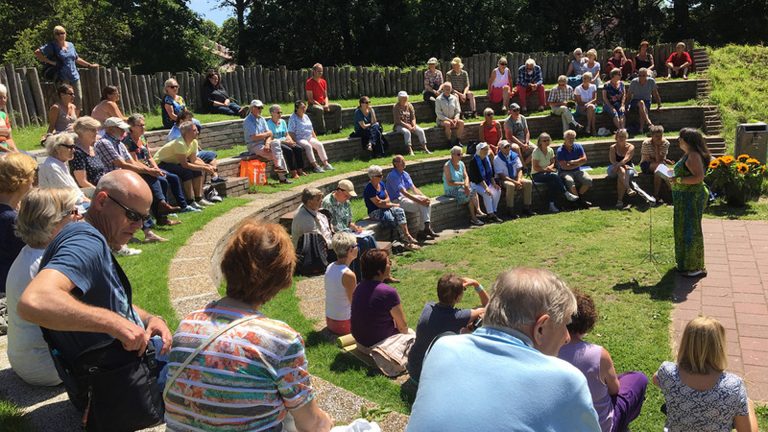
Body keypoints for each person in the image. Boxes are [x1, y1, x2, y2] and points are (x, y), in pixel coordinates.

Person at [17, 170, 173, 419]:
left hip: (101, 383)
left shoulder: (79, 233)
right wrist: (114, 324)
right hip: (123, 385)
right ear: (101, 201)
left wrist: (149, 318)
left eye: (144, 217)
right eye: (132, 215)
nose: (139, 226)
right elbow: (34, 301)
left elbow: (112, 301)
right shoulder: (86, 242)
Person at [163, 220, 333, 432]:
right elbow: (311, 424)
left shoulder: (189, 322)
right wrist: (326, 421)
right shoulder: (281, 341)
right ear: (281, 277)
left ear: (228, 264)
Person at [406, 268, 600, 432]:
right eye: (565, 324)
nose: (567, 337)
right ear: (541, 328)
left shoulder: (441, 346)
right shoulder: (566, 380)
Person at [6, 188, 80, 386]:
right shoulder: (48, 265)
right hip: (47, 366)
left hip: (25, 360)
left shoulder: (28, 254)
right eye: (72, 212)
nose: (79, 216)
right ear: (53, 222)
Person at [558, 291, 648, 432]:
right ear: (588, 322)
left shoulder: (544, 352)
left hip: (563, 425)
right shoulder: (598, 355)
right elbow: (615, 390)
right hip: (600, 427)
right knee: (639, 379)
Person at [654, 316, 758, 432]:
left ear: (686, 342)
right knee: (748, 403)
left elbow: (655, 379)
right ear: (719, 346)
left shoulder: (667, 372)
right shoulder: (734, 386)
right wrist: (749, 405)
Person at [96, 116, 177, 242]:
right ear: (111, 129)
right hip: (112, 181)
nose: (124, 132)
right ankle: (151, 223)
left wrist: (150, 170)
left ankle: (150, 227)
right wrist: (149, 170)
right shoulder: (104, 143)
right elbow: (121, 164)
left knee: (147, 184)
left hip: (123, 177)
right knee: (137, 195)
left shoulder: (120, 144)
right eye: (121, 129)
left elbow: (131, 162)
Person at [407, 274, 489, 383]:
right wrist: (476, 284)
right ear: (458, 297)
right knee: (476, 323)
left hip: (413, 369)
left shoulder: (428, 307)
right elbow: (488, 306)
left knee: (466, 328)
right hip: (427, 379)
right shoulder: (458, 317)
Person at [0, 153, 37, 336]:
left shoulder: (9, 213)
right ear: (21, 181)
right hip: (9, 293)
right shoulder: (10, 220)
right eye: (31, 177)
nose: (33, 181)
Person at [124, 114, 184, 226]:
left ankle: (164, 211)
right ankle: (163, 209)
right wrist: (150, 170)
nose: (143, 127)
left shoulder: (142, 138)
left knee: (171, 177)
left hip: (149, 168)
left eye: (144, 125)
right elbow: (134, 162)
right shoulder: (128, 141)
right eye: (140, 125)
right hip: (138, 171)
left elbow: (149, 157)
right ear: (131, 127)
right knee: (161, 181)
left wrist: (156, 168)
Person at [350, 249, 411, 348]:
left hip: (360, 343)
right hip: (380, 347)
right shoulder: (388, 292)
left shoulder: (359, 287)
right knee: (414, 336)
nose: (390, 265)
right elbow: (402, 327)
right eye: (388, 263)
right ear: (379, 271)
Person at [670, 128, 710, 277]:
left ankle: (695, 267)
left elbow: (698, 177)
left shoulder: (693, 155)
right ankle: (685, 264)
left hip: (692, 198)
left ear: (687, 141)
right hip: (685, 197)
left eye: (680, 138)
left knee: (691, 231)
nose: (678, 140)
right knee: (683, 229)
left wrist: (678, 180)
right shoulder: (689, 154)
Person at [154, 121, 217, 211]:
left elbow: (193, 160)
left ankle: (199, 199)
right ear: (187, 133)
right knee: (186, 172)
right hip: (160, 163)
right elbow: (185, 164)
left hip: (173, 162)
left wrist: (207, 165)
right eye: (195, 130)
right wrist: (204, 168)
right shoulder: (180, 143)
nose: (198, 132)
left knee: (197, 171)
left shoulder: (194, 142)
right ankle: (190, 201)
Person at [34, 25, 98, 109]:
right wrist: (51, 62)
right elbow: (37, 52)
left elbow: (76, 58)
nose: (60, 35)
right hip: (62, 78)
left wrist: (89, 65)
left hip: (74, 76)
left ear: (65, 34)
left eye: (62, 33)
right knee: (65, 100)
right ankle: (67, 120)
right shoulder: (52, 46)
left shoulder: (70, 45)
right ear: (55, 35)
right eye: (57, 34)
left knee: (78, 99)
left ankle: (75, 119)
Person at [363, 165, 420, 248]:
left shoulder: (381, 184)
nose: (382, 177)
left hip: (386, 207)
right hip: (375, 211)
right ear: (372, 177)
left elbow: (387, 198)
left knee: (399, 211)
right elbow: (378, 204)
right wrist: (391, 204)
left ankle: (407, 236)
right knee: (390, 218)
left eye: (381, 174)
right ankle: (398, 240)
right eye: (379, 175)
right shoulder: (369, 188)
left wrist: (384, 202)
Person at [386, 155, 437, 241]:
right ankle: (424, 230)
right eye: (402, 161)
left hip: (404, 198)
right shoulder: (392, 175)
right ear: (395, 164)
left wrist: (425, 197)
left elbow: (414, 188)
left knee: (426, 202)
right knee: (423, 204)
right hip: (396, 201)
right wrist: (420, 201)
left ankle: (425, 228)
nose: (404, 162)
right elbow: (404, 192)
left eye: (404, 160)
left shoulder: (405, 174)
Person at [244, 99, 291, 184]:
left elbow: (270, 134)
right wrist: (266, 134)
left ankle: (278, 168)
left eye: (261, 107)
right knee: (278, 154)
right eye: (258, 108)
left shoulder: (261, 119)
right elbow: (254, 137)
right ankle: (282, 177)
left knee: (276, 142)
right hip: (254, 145)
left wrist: (267, 143)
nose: (260, 110)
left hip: (263, 143)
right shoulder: (248, 121)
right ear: (252, 108)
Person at [531, 133, 578, 213]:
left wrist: (550, 167)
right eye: (544, 140)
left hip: (548, 173)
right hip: (537, 174)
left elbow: (553, 162)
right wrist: (546, 170)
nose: (546, 142)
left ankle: (551, 205)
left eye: (548, 140)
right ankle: (566, 193)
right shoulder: (536, 152)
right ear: (540, 142)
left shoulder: (550, 150)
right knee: (554, 176)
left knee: (552, 184)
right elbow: (536, 167)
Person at [38, 133, 89, 205]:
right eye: (70, 147)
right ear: (57, 148)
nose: (73, 150)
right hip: (61, 210)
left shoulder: (60, 164)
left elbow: (74, 190)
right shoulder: (52, 167)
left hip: (73, 205)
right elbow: (65, 195)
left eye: (74, 146)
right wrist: (85, 201)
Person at [324, 232, 358, 335]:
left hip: (330, 320)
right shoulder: (348, 275)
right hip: (343, 324)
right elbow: (354, 303)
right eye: (356, 245)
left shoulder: (330, 266)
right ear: (350, 250)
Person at [442, 146, 485, 226]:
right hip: (451, 190)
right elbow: (449, 182)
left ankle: (478, 210)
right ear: (452, 155)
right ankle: (474, 218)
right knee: (470, 193)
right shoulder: (447, 166)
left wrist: (466, 184)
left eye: (461, 154)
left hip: (461, 188)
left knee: (472, 191)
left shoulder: (461, 164)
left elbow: (466, 176)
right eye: (458, 154)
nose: (461, 156)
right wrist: (464, 184)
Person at [288, 100, 333, 173]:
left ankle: (326, 164)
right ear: (297, 108)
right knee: (308, 146)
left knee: (319, 144)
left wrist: (315, 139)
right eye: (302, 107)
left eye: (304, 107)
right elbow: (291, 132)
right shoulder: (292, 118)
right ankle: (316, 166)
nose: (304, 109)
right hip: (300, 138)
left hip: (309, 137)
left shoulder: (306, 116)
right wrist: (294, 141)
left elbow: (311, 129)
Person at [494, 140, 533, 218]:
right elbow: (502, 176)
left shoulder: (514, 156)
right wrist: (515, 182)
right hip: (505, 180)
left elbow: (519, 169)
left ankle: (526, 208)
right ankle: (510, 210)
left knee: (528, 183)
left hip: (516, 178)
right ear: (500, 149)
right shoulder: (497, 159)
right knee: (511, 185)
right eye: (505, 147)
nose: (508, 148)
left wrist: (518, 180)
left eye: (508, 146)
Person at [267, 104, 305, 178]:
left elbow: (287, 134)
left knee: (298, 148)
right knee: (289, 151)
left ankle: (300, 170)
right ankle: (293, 172)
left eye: (281, 112)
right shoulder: (268, 124)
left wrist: (290, 141)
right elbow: (271, 139)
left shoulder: (283, 122)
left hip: (286, 141)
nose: (280, 114)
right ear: (272, 113)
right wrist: (285, 142)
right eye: (278, 112)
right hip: (277, 143)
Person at [468, 143, 502, 223]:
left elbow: (491, 173)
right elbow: (478, 177)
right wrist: (486, 188)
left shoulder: (487, 159)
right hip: (476, 184)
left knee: (497, 190)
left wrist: (494, 184)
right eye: (485, 149)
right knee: (486, 193)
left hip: (487, 182)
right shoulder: (474, 161)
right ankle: (491, 214)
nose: (487, 151)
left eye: (487, 149)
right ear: (480, 150)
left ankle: (493, 211)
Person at [70, 116, 108, 190]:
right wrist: (99, 191)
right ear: (82, 132)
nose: (97, 132)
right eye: (93, 130)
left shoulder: (93, 149)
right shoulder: (77, 153)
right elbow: (82, 182)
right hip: (90, 193)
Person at [557, 129, 593, 207]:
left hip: (577, 170)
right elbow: (564, 167)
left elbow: (584, 159)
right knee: (570, 181)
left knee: (588, 180)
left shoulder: (578, 146)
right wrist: (578, 163)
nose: (571, 140)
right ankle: (579, 201)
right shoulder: (560, 150)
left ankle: (578, 199)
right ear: (565, 138)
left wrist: (573, 162)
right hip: (564, 172)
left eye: (573, 138)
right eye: (569, 138)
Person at [291, 188, 333, 252]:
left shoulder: (310, 209)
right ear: (309, 202)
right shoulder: (305, 219)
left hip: (325, 246)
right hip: (313, 254)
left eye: (321, 198)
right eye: (318, 199)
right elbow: (320, 242)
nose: (321, 201)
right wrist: (337, 244)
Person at [305, 63, 342, 134]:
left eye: (321, 71)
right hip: (312, 105)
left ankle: (337, 128)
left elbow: (325, 96)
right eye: (319, 71)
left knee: (338, 107)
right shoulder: (309, 82)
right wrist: (322, 106)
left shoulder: (323, 81)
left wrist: (327, 105)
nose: (320, 73)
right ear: (314, 71)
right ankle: (322, 131)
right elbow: (310, 99)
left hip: (323, 104)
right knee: (319, 109)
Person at [640, 124, 673, 202]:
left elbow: (661, 159)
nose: (659, 138)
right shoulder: (646, 143)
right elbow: (647, 159)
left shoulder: (666, 143)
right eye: (656, 136)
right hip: (646, 165)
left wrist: (657, 149)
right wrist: (657, 148)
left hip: (659, 166)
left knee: (658, 172)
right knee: (660, 167)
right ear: (652, 136)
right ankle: (672, 189)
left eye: (660, 136)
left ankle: (656, 195)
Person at [607, 129, 637, 209]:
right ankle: (628, 188)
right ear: (616, 137)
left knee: (621, 174)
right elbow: (612, 160)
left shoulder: (630, 147)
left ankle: (619, 201)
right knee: (621, 170)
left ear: (626, 137)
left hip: (628, 167)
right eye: (619, 136)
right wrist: (619, 166)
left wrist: (620, 165)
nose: (621, 138)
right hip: (613, 167)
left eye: (623, 136)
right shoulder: (613, 147)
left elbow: (627, 158)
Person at [393, 91, 430, 155]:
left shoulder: (410, 105)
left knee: (420, 130)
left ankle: (425, 148)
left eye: (405, 98)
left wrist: (414, 125)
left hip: (410, 124)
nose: (404, 99)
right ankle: (410, 150)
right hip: (399, 125)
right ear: (399, 99)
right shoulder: (396, 107)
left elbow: (413, 117)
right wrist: (408, 126)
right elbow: (398, 120)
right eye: (402, 98)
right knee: (407, 132)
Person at [626, 68, 662, 134]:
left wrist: (659, 104)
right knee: (641, 103)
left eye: (643, 75)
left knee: (642, 107)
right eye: (640, 75)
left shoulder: (651, 81)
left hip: (647, 101)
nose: (641, 77)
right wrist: (626, 106)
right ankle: (649, 123)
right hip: (635, 101)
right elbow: (629, 95)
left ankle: (641, 129)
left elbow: (655, 93)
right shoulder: (634, 82)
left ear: (647, 75)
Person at [504, 103, 534, 167]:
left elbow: (527, 131)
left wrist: (527, 142)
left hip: (523, 140)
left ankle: (525, 163)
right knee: (516, 148)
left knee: (537, 149)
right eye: (514, 110)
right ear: (510, 111)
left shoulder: (522, 118)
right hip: (512, 141)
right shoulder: (508, 121)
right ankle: (524, 167)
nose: (517, 112)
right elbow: (510, 136)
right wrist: (521, 145)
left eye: (518, 110)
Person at [435, 82, 464, 147]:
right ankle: (449, 141)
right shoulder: (438, 99)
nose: (448, 91)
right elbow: (439, 114)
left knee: (461, 122)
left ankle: (458, 141)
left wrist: (456, 118)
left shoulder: (454, 98)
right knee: (447, 124)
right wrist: (449, 120)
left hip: (453, 118)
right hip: (441, 120)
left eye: (449, 89)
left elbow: (458, 110)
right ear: (443, 89)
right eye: (446, 89)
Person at [574, 72, 598, 136]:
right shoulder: (578, 88)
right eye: (583, 78)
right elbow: (579, 102)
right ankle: (593, 130)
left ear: (590, 79)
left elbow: (595, 99)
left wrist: (587, 104)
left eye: (586, 78)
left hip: (590, 106)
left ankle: (588, 126)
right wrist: (587, 105)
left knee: (591, 107)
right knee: (592, 110)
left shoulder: (593, 86)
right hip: (581, 107)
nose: (584, 80)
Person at [0, 84, 18, 153]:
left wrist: (16, 152)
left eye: (4, 97)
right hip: (3, 151)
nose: (3, 100)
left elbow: (9, 138)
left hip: (6, 148)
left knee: (30, 157)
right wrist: (10, 152)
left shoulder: (4, 115)